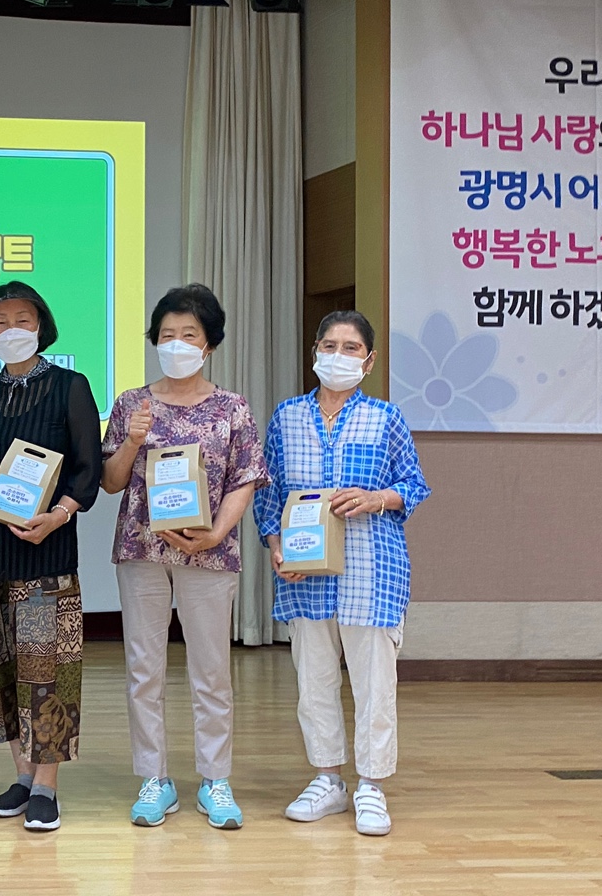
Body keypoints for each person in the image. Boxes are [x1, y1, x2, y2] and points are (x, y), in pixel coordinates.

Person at [253, 310, 431, 837]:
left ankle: (371, 785)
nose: (338, 355)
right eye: (329, 345)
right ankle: (327, 780)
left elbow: (414, 485)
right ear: (314, 351)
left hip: (372, 571)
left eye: (351, 348)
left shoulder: (385, 418)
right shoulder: (287, 417)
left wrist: (377, 498)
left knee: (375, 685)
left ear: (368, 361)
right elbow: (269, 491)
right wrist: (275, 547)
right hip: (304, 572)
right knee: (314, 683)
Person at [101, 284, 269, 831]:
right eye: (167, 334)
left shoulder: (232, 407)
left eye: (188, 335)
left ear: (209, 344)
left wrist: (216, 533)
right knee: (143, 668)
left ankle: (215, 779)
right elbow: (110, 481)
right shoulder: (131, 403)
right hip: (142, 550)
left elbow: (246, 478)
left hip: (210, 552)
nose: (176, 344)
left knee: (211, 669)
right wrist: (132, 440)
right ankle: (155, 778)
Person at [0, 281, 103, 833]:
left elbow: (87, 466)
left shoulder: (70, 385)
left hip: (45, 552)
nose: (11, 330)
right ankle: (21, 776)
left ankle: (47, 786)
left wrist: (59, 514)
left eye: (22, 319)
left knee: (47, 672)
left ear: (41, 326)